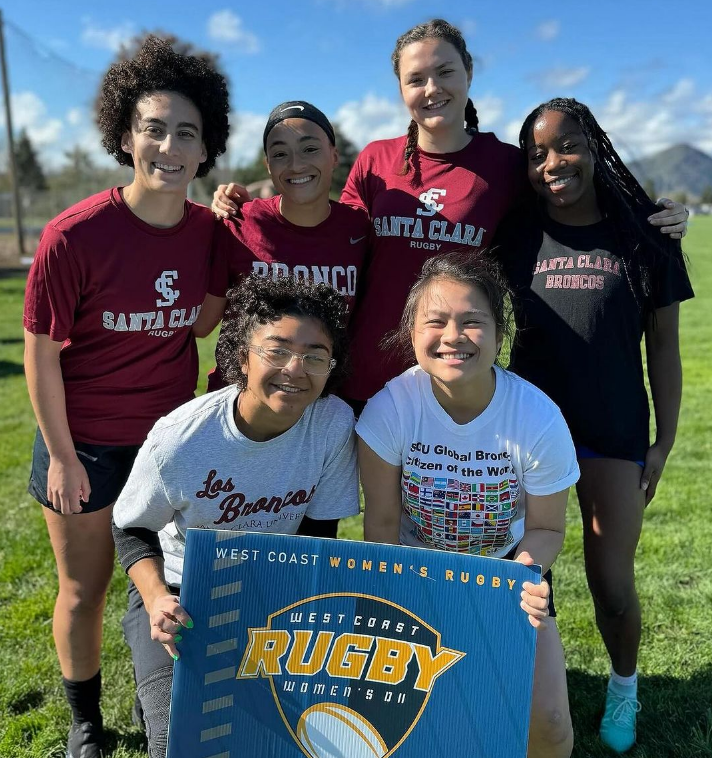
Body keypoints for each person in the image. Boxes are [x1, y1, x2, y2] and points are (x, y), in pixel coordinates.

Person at [211, 19, 688, 413]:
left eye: (445, 72)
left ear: (469, 74)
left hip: (450, 375)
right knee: (353, 515)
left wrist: (654, 213)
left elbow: (568, 198)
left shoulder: (503, 164)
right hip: (362, 374)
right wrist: (239, 203)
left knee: (432, 522)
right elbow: (330, 230)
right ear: (400, 89)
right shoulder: (376, 161)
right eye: (416, 79)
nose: (431, 88)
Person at [22, 35, 230, 757]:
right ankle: (85, 719)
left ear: (206, 149)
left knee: (169, 583)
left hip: (168, 445)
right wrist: (60, 456)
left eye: (186, 133)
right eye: (153, 128)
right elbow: (41, 354)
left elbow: (204, 319)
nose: (168, 145)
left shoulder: (208, 230)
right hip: (85, 445)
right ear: (123, 136)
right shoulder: (73, 236)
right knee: (86, 587)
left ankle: (157, 698)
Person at [497, 97, 694, 754]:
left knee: (612, 583)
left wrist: (663, 443)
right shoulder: (515, 232)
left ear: (596, 148)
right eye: (537, 154)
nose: (554, 163)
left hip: (613, 432)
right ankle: (529, 688)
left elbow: (663, 347)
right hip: (529, 436)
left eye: (568, 145)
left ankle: (623, 684)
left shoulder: (644, 233)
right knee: (529, 581)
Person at [112, 274, 360, 758]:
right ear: (241, 354)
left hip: (270, 586)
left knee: (272, 736)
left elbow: (317, 534)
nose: (295, 368)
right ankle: (155, 685)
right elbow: (129, 525)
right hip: (181, 590)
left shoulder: (332, 425)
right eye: (277, 350)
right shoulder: (181, 438)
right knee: (175, 741)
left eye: (315, 355)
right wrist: (158, 597)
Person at [356, 253, 580, 758]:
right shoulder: (389, 410)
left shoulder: (538, 418)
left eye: (472, 321)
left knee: (548, 726)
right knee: (412, 719)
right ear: (412, 331)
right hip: (416, 573)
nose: (452, 336)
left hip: (506, 574)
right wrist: (399, 595)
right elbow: (384, 523)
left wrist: (517, 580)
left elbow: (547, 530)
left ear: (500, 334)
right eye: (435, 321)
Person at [194, 100, 369, 391]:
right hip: (239, 401)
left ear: (334, 156)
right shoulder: (239, 223)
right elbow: (201, 325)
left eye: (310, 149)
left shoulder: (360, 230)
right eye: (280, 154)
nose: (296, 164)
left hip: (320, 405)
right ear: (268, 165)